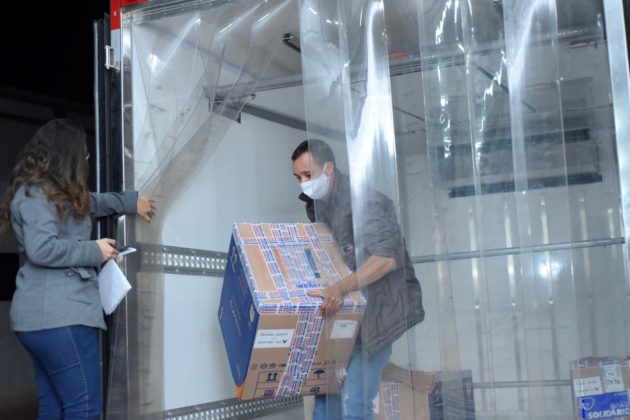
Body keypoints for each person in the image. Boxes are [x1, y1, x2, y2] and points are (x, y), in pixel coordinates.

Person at [0, 119, 156, 420]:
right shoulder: (35, 196)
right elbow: (42, 248)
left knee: (55, 406)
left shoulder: (55, 193)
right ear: (67, 155)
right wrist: (94, 251)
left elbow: (94, 202)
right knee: (84, 408)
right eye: (83, 154)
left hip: (43, 321)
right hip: (60, 318)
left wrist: (130, 202)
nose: (85, 160)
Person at [291, 139, 424, 420]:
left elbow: (387, 258)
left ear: (328, 169)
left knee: (354, 403)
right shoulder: (319, 206)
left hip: (377, 315)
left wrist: (339, 288)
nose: (303, 183)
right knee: (325, 405)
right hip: (345, 316)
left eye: (307, 175)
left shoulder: (366, 202)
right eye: (298, 177)